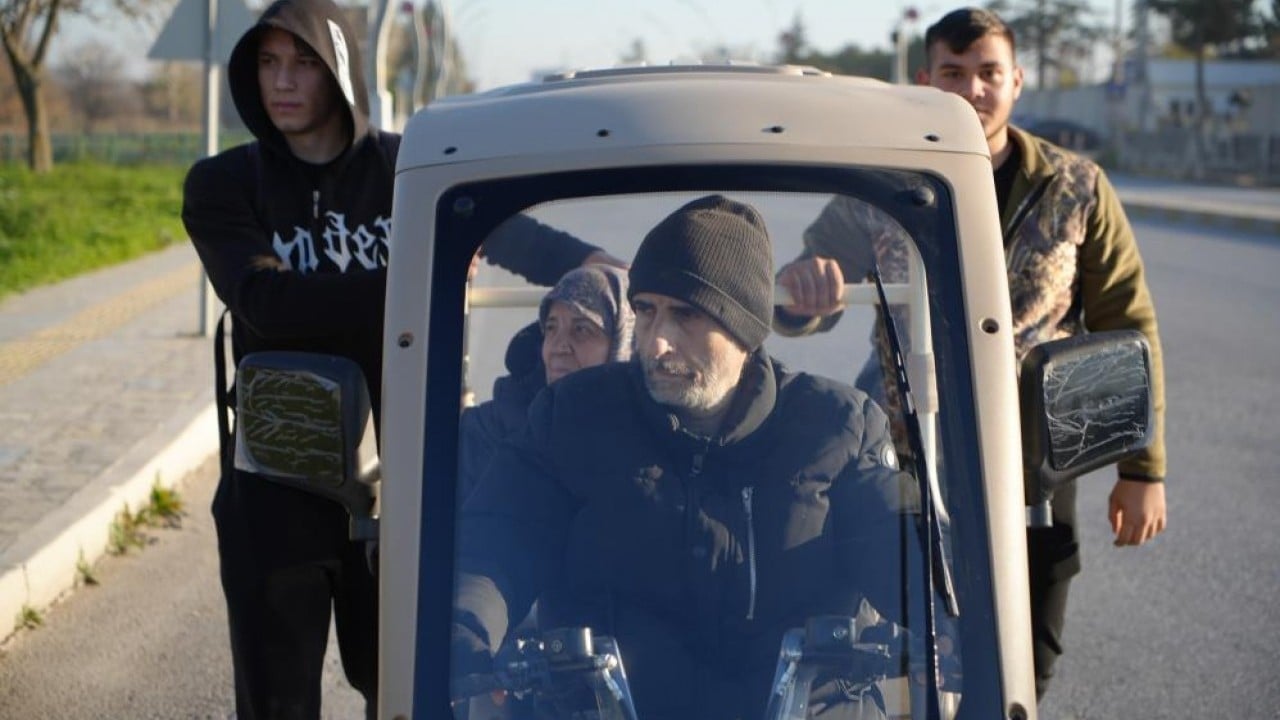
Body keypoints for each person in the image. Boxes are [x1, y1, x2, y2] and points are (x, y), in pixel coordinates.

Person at [181, 1, 623, 717]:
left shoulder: (409, 168)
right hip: (275, 483)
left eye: (302, 62)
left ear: (343, 69)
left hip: (402, 482)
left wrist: (615, 269)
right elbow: (265, 299)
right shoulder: (225, 184)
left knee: (403, 691)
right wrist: (421, 278)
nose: (282, 82)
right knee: (275, 703)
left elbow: (514, 235)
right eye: (267, 63)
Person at [773, 6, 1169, 701]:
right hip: (911, 446)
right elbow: (802, 291)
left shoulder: (1075, 186)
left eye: (988, 73)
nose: (973, 89)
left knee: (1028, 662)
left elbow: (1127, 320)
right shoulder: (879, 187)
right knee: (922, 650)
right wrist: (803, 296)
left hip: (1039, 460)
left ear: (1016, 81)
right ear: (925, 81)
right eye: (954, 73)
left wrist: (1144, 469)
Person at [451, 195, 912, 719]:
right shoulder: (573, 416)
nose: (657, 343)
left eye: (686, 315)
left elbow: (900, 547)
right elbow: (499, 540)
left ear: (744, 327)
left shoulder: (839, 427)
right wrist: (465, 629)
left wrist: (950, 618)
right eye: (646, 312)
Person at [457, 264, 634, 501]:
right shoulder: (484, 432)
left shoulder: (651, 444)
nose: (558, 347)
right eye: (551, 328)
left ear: (622, 343)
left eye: (581, 329)